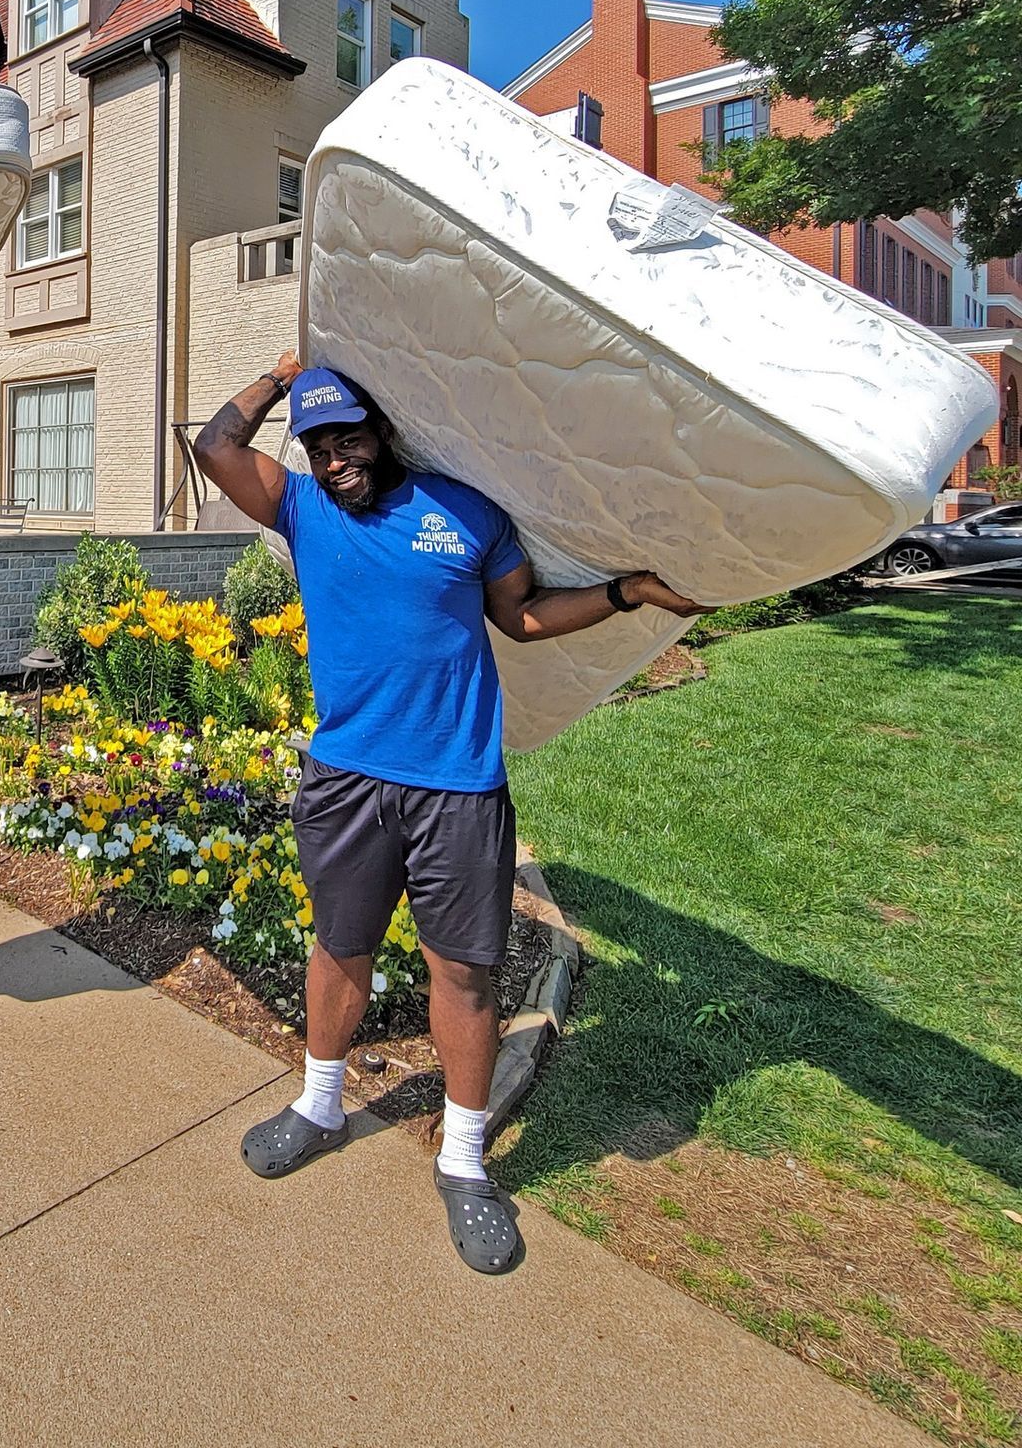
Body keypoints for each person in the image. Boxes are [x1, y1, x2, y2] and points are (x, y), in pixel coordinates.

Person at [195, 354, 705, 1273]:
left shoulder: (464, 513)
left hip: (457, 788)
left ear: (383, 432)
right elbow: (216, 444)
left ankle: (465, 1164)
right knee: (339, 945)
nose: (332, 458)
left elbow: (524, 618)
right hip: (347, 779)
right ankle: (318, 1104)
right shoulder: (301, 511)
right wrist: (282, 374)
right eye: (316, 445)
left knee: (464, 974)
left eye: (346, 436)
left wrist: (630, 591)